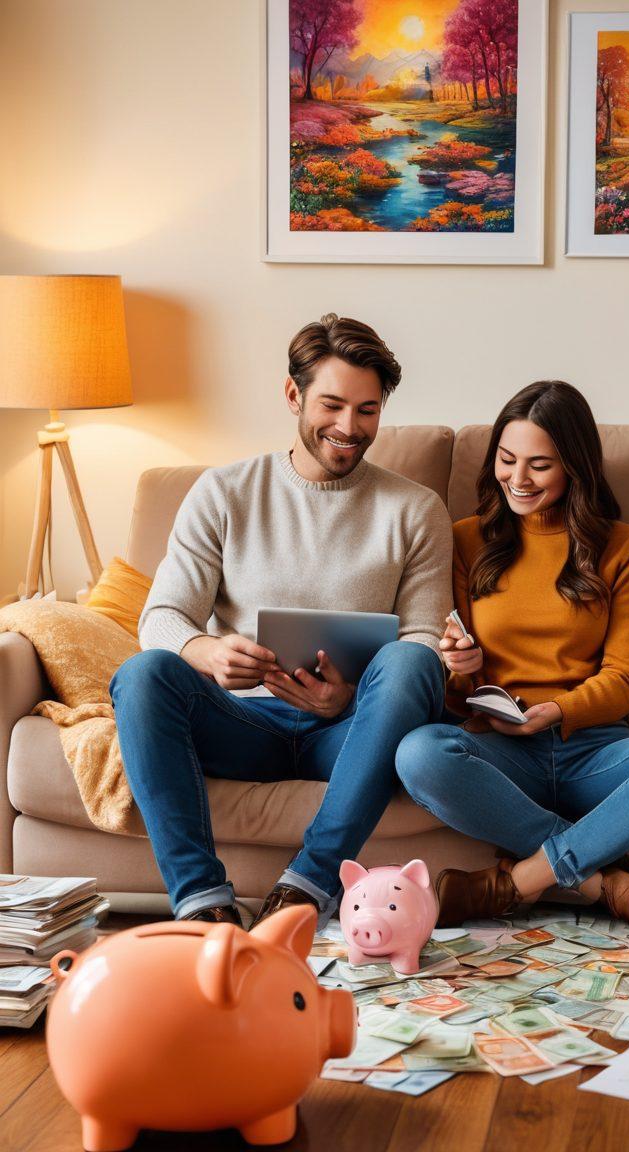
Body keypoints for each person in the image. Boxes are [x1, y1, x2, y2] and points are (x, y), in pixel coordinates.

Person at [110, 314, 452, 928]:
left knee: (409, 660)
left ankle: (309, 886)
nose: (350, 429)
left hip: (350, 732)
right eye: (333, 405)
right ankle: (202, 904)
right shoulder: (223, 493)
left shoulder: (416, 510)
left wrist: (347, 696)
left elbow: (425, 641)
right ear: (292, 395)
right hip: (241, 720)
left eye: (368, 410)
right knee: (143, 675)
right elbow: (161, 617)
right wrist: (205, 652)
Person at [395, 380, 629, 930]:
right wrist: (459, 670)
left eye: (540, 465)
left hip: (594, 753)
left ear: (575, 468)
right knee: (418, 753)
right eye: (507, 460)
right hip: (501, 754)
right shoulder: (464, 540)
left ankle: (518, 882)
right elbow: (457, 694)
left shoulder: (626, 548)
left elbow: (625, 678)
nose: (518, 479)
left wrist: (557, 711)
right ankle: (600, 881)